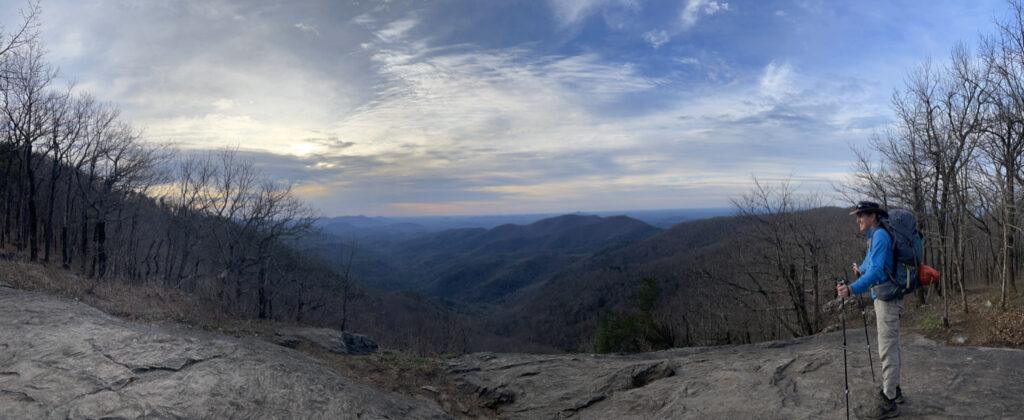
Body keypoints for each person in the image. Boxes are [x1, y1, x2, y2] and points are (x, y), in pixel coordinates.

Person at [837, 201, 904, 419]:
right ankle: (894, 388)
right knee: (889, 344)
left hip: (887, 298)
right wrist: (860, 270)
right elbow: (870, 264)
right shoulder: (874, 236)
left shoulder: (881, 236)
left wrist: (851, 289)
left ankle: (889, 400)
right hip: (882, 296)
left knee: (887, 347)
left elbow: (875, 272)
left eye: (861, 216)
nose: (858, 220)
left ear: (873, 216)